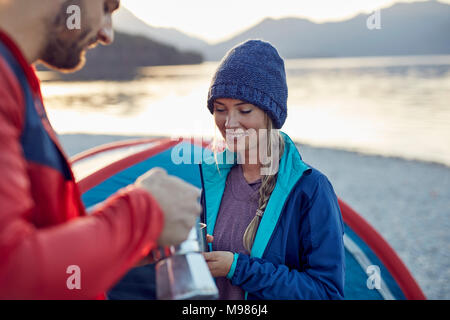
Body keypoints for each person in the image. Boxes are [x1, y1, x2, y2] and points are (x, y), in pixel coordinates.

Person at [0, 0, 201, 299]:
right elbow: (12, 274)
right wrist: (146, 212)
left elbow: (36, 240)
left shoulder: (17, 78)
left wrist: (125, 243)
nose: (107, 33)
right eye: (107, 7)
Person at [201, 40, 345, 299]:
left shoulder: (310, 190)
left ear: (271, 116)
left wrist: (237, 268)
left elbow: (327, 292)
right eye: (220, 110)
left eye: (244, 110)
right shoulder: (210, 178)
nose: (230, 122)